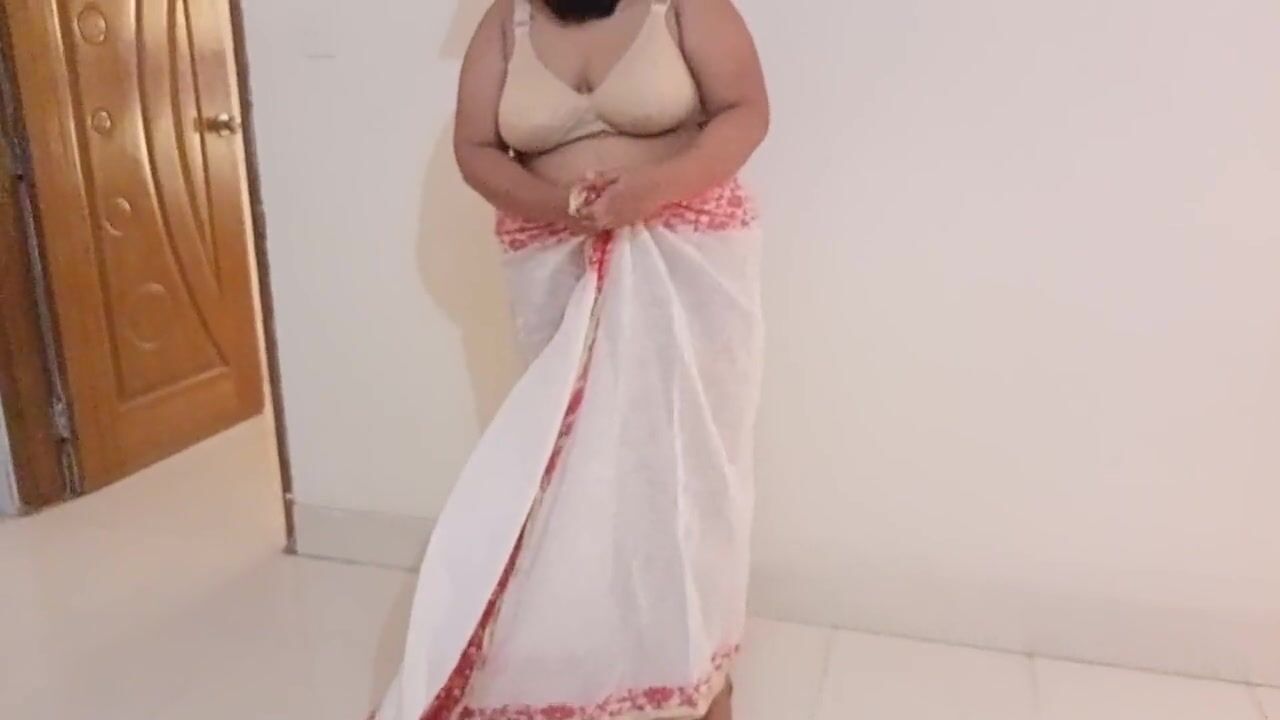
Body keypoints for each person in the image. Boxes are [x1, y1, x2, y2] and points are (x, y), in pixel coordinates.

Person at [372, 1, 768, 718]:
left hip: (686, 260)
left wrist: (652, 190)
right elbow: (476, 148)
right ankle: (580, 667)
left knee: (681, 470)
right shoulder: (507, 21)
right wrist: (558, 206)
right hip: (555, 262)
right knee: (561, 474)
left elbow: (745, 110)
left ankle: (698, 670)